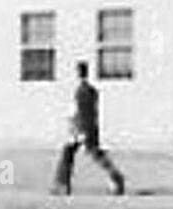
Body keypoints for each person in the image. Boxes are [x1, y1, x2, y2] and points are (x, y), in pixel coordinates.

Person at [51, 61, 125, 196]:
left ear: (78, 73)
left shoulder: (81, 91)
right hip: (89, 127)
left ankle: (62, 184)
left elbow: (80, 111)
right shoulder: (90, 90)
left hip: (82, 128)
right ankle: (115, 178)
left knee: (73, 153)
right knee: (92, 154)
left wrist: (76, 129)